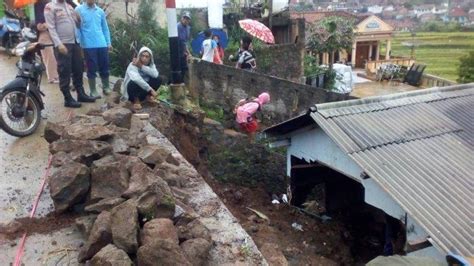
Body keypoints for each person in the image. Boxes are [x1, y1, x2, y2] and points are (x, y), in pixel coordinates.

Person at [44, 0, 96, 108]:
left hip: (75, 42)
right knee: (65, 71)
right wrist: (58, 44)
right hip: (63, 44)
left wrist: (78, 19)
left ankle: (81, 94)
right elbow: (51, 28)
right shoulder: (50, 7)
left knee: (78, 69)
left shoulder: (69, 6)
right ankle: (67, 98)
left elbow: (78, 24)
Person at [76, 0, 112, 99]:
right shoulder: (78, 10)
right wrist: (79, 43)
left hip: (102, 43)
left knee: (105, 65)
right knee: (91, 68)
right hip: (88, 45)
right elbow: (77, 28)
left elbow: (105, 28)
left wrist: (108, 42)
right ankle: (93, 90)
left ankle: (106, 87)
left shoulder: (100, 11)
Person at [121, 47, 161, 111]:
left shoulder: (151, 65)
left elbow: (155, 74)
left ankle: (148, 97)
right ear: (139, 56)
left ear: (150, 58)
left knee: (158, 79)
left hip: (144, 91)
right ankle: (136, 101)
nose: (144, 58)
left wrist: (141, 66)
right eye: (142, 56)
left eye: (147, 56)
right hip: (132, 93)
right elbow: (136, 79)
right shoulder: (132, 64)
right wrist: (150, 89)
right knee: (132, 83)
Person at [34, 0, 59, 84]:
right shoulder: (39, 4)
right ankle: (52, 77)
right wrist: (47, 24)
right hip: (44, 36)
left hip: (53, 35)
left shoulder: (54, 5)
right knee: (49, 57)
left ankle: (55, 75)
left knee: (53, 57)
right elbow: (39, 26)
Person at [177, 12, 191, 81]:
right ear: (182, 18)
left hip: (182, 50)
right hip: (177, 50)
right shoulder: (178, 26)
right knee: (177, 68)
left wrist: (187, 52)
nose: (186, 20)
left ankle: (181, 82)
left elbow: (186, 41)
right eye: (184, 18)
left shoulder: (187, 28)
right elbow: (182, 41)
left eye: (187, 19)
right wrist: (188, 52)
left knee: (184, 67)